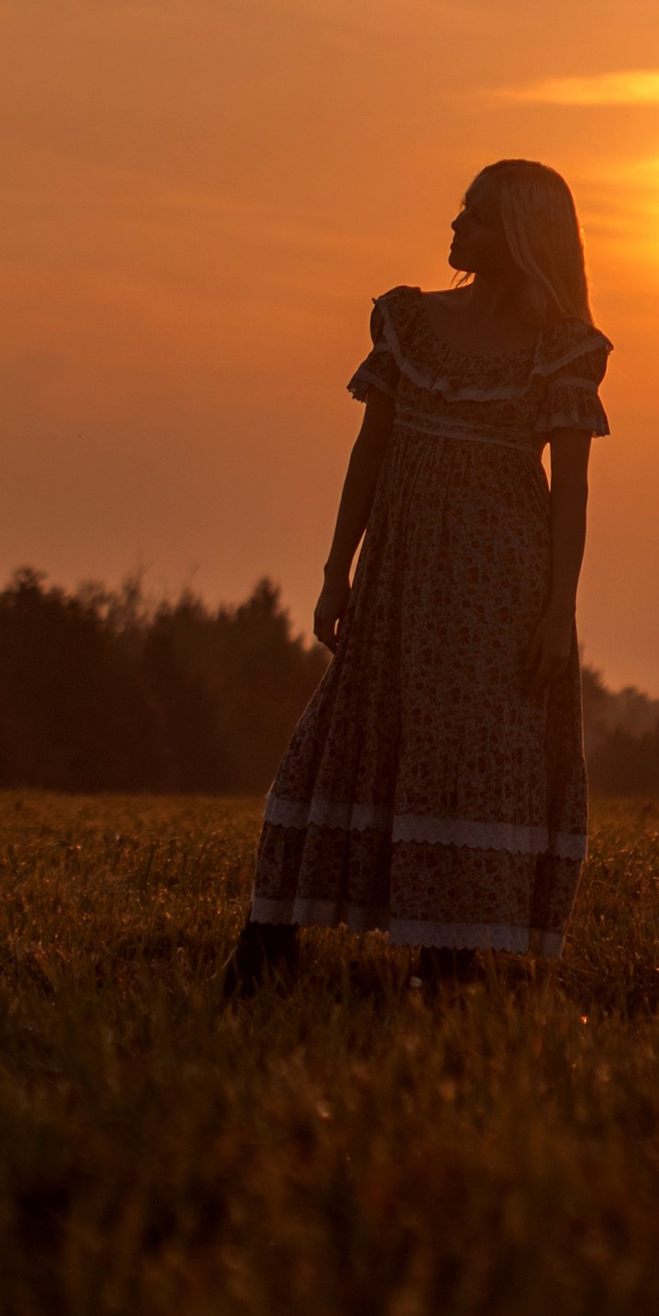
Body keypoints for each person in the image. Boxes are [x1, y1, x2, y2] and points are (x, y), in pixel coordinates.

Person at [221, 160, 609, 997]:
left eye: (475, 218)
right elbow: (370, 454)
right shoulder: (408, 321)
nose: (456, 228)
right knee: (337, 740)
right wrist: (336, 571)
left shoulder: (563, 348)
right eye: (461, 213)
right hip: (399, 577)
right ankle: (269, 938)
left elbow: (572, 493)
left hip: (500, 585)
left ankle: (450, 956)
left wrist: (556, 615)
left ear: (519, 236)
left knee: (471, 752)